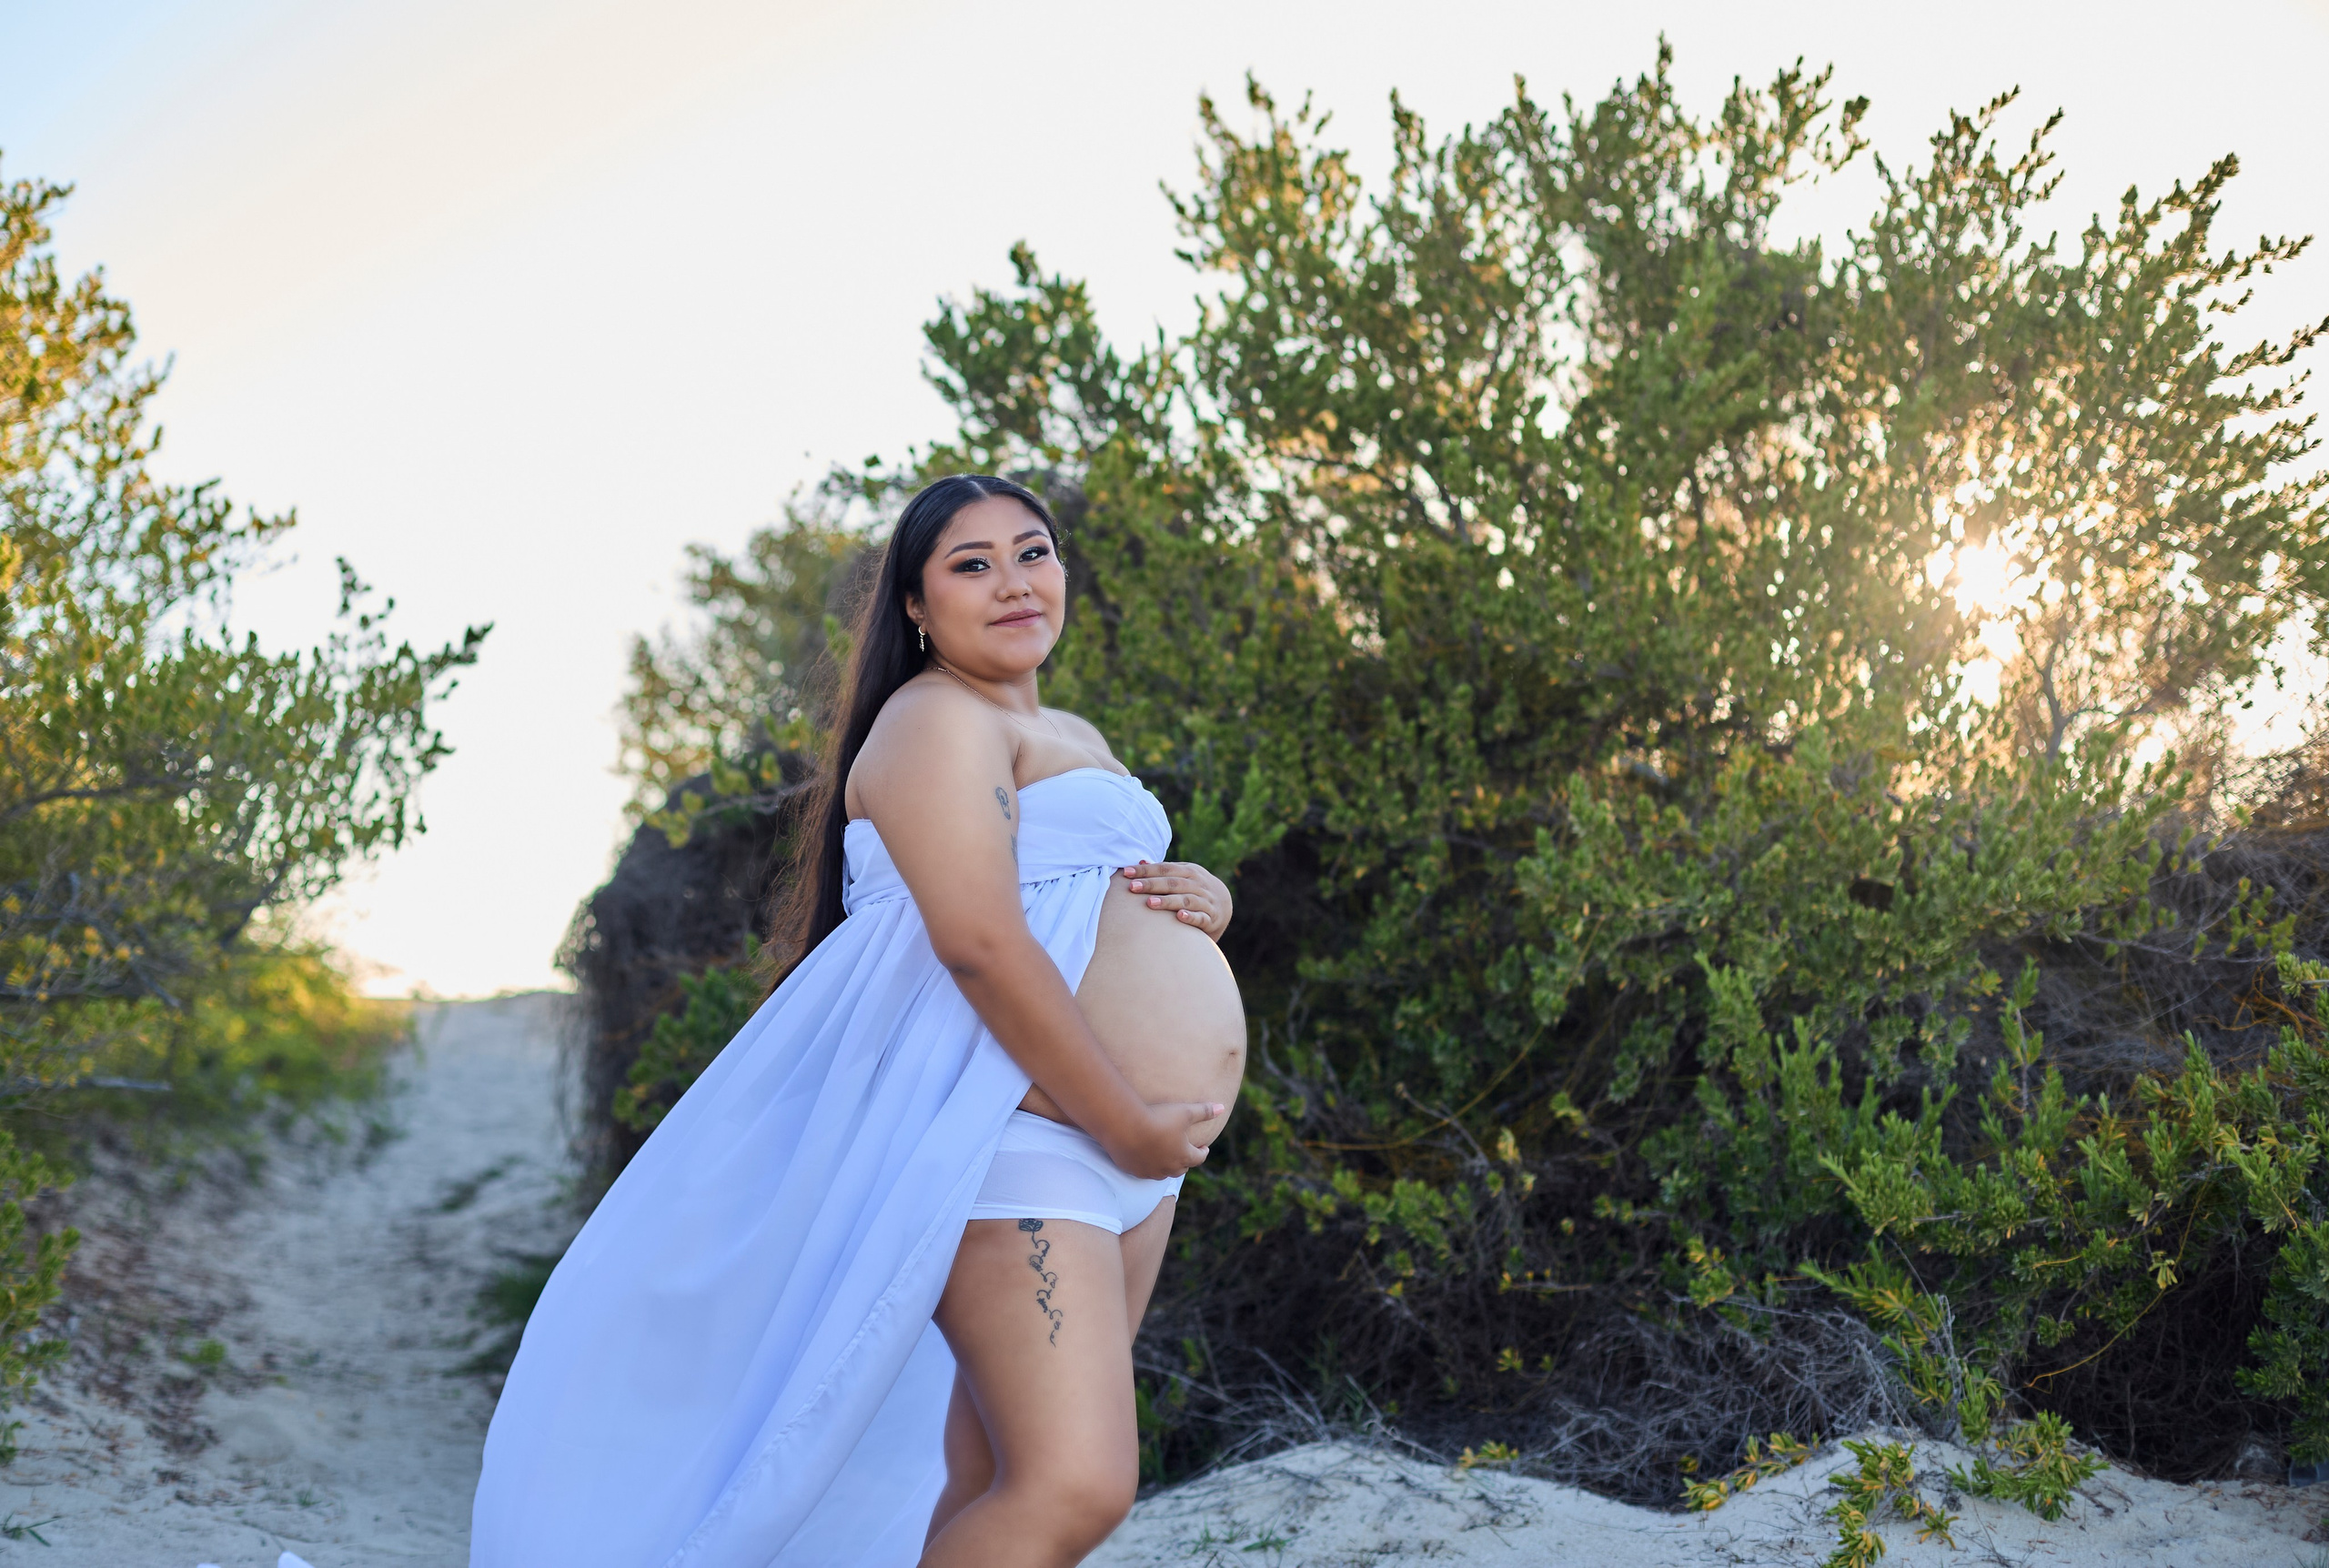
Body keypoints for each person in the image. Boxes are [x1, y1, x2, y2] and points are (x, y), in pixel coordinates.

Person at [470, 474, 1248, 1568]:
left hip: (1120, 1148)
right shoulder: (934, 718)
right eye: (971, 564)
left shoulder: (1063, 726)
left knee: (989, 1474)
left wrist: (1201, 896)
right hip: (1026, 1140)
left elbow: (1076, 892)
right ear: (917, 607)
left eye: (1034, 551)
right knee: (1075, 1484)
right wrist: (1121, 1121)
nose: (1015, 581)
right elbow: (977, 940)